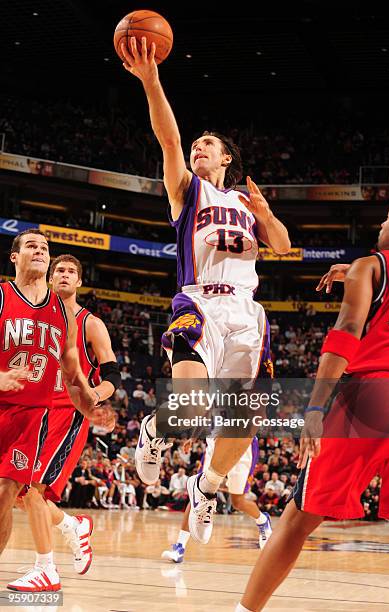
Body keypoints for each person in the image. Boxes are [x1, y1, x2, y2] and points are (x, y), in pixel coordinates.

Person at [121, 36, 290, 545]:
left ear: (227, 158)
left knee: (246, 418)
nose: (197, 148)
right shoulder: (189, 191)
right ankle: (152, 431)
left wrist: (264, 215)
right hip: (198, 300)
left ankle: (206, 485)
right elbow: (168, 141)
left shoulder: (246, 200)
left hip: (247, 311)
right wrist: (152, 82)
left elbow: (281, 246)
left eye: (207, 145)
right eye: (196, 144)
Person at [237, 199, 389, 611]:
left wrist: (314, 409)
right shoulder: (365, 270)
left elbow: (348, 330)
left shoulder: (374, 264)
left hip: (375, 394)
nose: (381, 226)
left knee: (299, 517)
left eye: (387, 219)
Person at [7, 253, 120, 592]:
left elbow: (112, 372)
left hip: (65, 413)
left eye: (72, 271)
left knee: (32, 490)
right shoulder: (34, 315)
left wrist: (95, 397)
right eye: (60, 270)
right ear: (51, 277)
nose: (65, 275)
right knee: (14, 492)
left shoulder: (89, 322)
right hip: (30, 411)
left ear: (80, 281)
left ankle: (46, 569)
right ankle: (72, 525)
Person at [162, 437, 272, 563]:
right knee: (199, 493)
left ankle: (262, 520)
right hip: (217, 439)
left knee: (237, 502)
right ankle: (179, 547)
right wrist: (194, 436)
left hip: (244, 442)